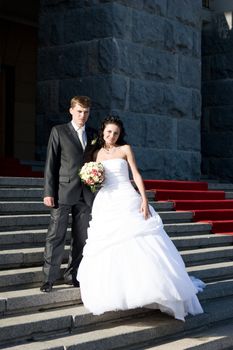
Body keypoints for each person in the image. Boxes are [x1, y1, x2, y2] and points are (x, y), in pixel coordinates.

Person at [77, 116, 205, 321]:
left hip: (127, 197)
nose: (112, 136)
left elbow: (135, 175)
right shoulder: (95, 153)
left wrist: (144, 199)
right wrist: (92, 179)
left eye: (116, 133)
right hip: (106, 202)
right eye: (109, 132)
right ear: (103, 132)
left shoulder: (125, 149)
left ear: (120, 135)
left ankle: (157, 289)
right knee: (109, 246)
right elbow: (92, 179)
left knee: (142, 241)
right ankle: (118, 292)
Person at [40, 96, 96, 293]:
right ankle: (48, 279)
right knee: (56, 236)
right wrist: (49, 191)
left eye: (86, 112)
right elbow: (51, 163)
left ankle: (73, 275)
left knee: (81, 238)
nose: (83, 115)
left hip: (86, 195)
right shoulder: (59, 131)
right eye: (79, 111)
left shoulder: (93, 134)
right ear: (71, 110)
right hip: (62, 192)